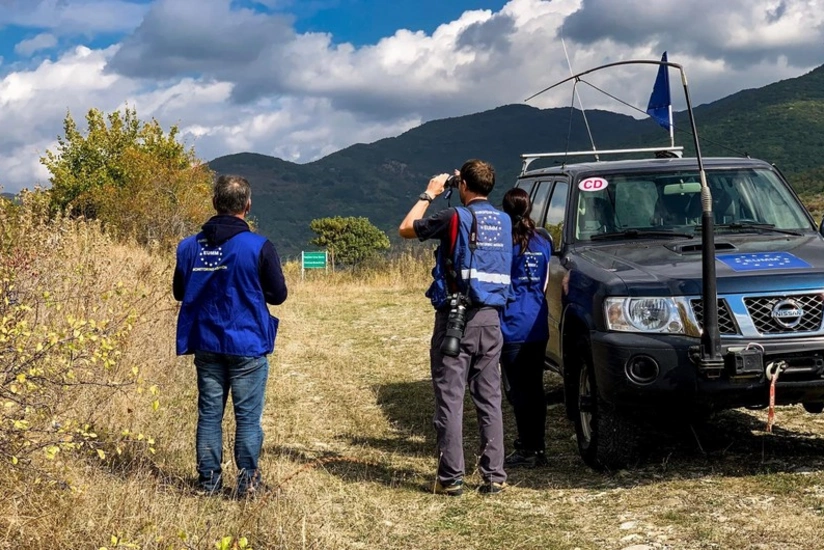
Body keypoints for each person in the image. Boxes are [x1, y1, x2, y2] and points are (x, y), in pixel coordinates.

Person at [398, 159, 512, 496]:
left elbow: (406, 228)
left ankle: (451, 478)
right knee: (489, 398)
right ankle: (494, 475)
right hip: (491, 318)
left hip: (456, 318)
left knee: (450, 398)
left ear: (463, 186)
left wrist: (429, 193)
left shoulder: (454, 217)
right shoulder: (503, 220)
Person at [173, 174, 287, 497]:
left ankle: (208, 484)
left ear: (214, 203)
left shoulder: (188, 247)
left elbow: (180, 291)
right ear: (247, 206)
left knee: (209, 414)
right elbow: (278, 295)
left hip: (206, 343)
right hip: (247, 344)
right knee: (248, 418)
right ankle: (248, 485)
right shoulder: (259, 247)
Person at [499, 187, 552, 468]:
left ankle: (526, 446)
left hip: (510, 323)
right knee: (535, 387)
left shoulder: (504, 244)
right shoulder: (542, 241)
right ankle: (538, 446)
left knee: (517, 390)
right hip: (537, 321)